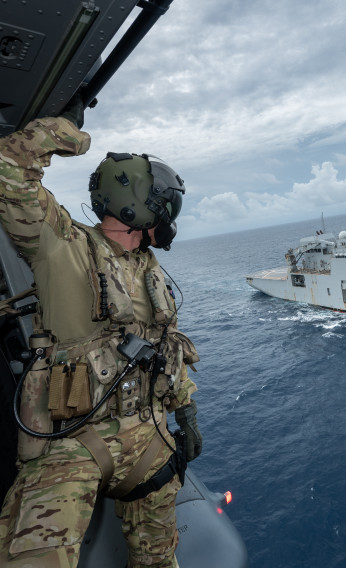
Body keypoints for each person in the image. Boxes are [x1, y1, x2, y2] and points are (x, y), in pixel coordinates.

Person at [0, 98, 202, 568]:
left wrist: (186, 410)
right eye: (165, 201)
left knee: (159, 561)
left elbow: (169, 348)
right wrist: (62, 134)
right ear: (144, 206)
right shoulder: (61, 247)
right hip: (72, 443)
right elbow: (8, 170)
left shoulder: (147, 269)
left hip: (146, 433)